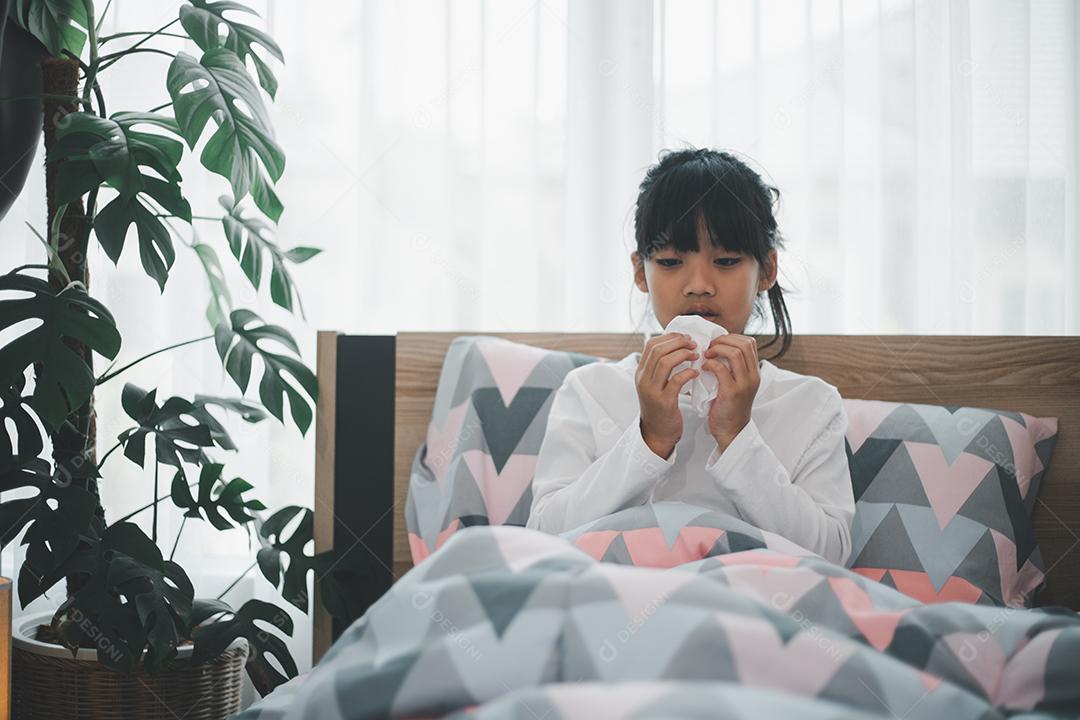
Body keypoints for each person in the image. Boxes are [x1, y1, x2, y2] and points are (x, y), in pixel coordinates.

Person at [525, 147, 855, 566]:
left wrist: (737, 437)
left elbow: (832, 557)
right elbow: (544, 539)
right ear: (640, 272)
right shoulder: (590, 391)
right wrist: (650, 440)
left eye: (726, 260)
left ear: (767, 271)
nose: (698, 284)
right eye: (669, 261)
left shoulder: (811, 403)